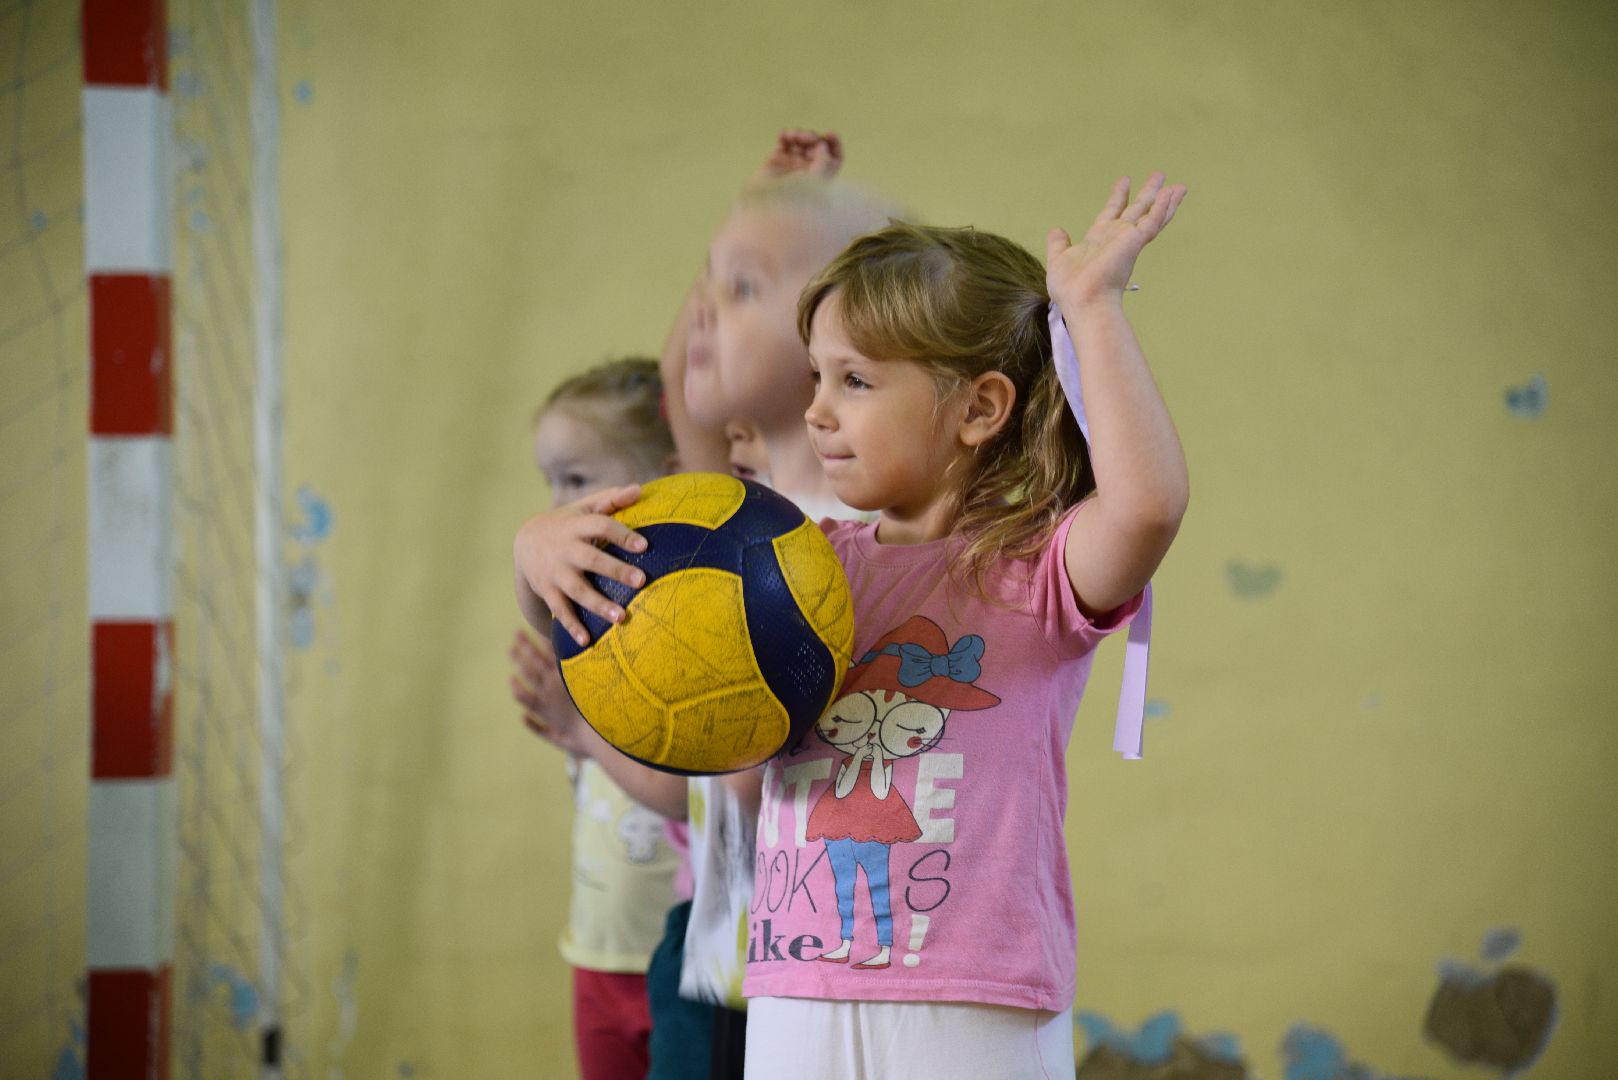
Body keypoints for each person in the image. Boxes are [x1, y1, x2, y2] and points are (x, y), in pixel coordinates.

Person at [740, 173, 1190, 1077]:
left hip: (971, 1002)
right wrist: (537, 551)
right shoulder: (804, 566)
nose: (816, 410)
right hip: (795, 990)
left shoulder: (1035, 573)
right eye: (817, 377)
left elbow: (1145, 507)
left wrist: (1092, 310)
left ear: (981, 408)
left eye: (856, 380)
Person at [508, 356, 684, 1080]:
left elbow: (686, 796)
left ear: (666, 479)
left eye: (577, 481)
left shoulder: (688, 624)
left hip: (676, 957)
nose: (558, 506)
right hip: (597, 951)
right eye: (550, 483)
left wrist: (580, 732)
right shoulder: (584, 619)